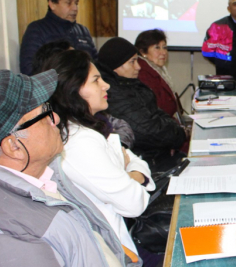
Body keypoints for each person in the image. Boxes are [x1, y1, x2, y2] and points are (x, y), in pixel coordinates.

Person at [0, 69, 160, 267]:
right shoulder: (1, 232)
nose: (57, 118)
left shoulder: (49, 174)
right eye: (45, 114)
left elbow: (96, 234)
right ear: (13, 146)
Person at [43, 50, 154, 255]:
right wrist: (132, 174)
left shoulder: (90, 127)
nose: (106, 85)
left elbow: (136, 162)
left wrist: (129, 173)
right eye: (96, 81)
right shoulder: (79, 142)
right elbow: (135, 203)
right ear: (72, 89)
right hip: (114, 253)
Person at [97, 37, 187, 172]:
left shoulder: (130, 84)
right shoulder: (113, 94)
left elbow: (159, 113)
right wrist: (180, 134)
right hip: (148, 164)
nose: (138, 67)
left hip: (158, 156)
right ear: (115, 66)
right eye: (132, 62)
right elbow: (148, 130)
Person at [20, 0, 98, 75]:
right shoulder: (37, 29)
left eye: (76, 3)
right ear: (52, 4)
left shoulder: (83, 31)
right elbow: (28, 67)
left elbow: (96, 63)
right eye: (69, 3)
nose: (75, 8)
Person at [135, 29, 179, 117]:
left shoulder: (156, 70)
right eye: (157, 47)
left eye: (164, 47)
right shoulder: (143, 73)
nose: (163, 52)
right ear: (143, 52)